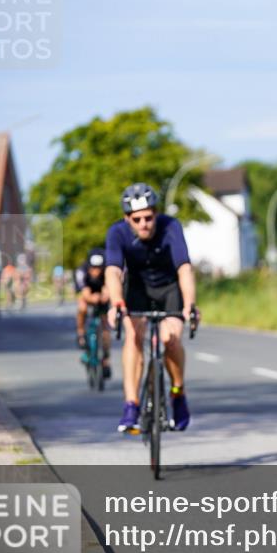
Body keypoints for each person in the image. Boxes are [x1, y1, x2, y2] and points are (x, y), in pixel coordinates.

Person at [105, 183, 199, 433]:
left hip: (169, 288)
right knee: (133, 336)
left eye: (148, 217)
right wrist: (116, 303)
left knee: (170, 339)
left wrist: (189, 304)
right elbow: (113, 271)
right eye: (137, 219)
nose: (144, 224)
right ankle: (131, 405)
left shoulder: (171, 227)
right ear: (127, 218)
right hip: (137, 288)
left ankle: (178, 393)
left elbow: (184, 268)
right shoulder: (117, 232)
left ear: (156, 213)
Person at [75, 248, 112, 378]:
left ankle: (105, 357)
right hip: (88, 293)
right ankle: (81, 333)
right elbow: (84, 292)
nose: (96, 271)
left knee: (106, 325)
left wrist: (105, 296)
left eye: (98, 268)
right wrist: (92, 298)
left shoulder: (107, 271)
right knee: (82, 307)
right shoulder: (81, 272)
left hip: (101, 295)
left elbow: (108, 289)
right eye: (93, 268)